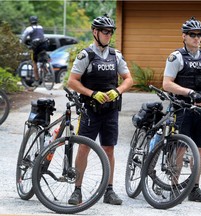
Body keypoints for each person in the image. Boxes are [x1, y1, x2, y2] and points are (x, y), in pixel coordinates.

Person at [67, 14, 133, 205]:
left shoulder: (116, 55)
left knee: (109, 149)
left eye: (111, 32)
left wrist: (118, 91)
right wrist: (92, 93)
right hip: (90, 109)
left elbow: (128, 79)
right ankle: (77, 190)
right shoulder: (85, 55)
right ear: (95, 32)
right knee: (84, 147)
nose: (108, 35)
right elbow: (72, 81)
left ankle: (109, 191)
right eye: (105, 32)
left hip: (111, 109)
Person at [163, 17, 201, 203]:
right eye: (192, 35)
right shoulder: (176, 57)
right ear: (184, 36)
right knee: (180, 148)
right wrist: (189, 92)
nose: (196, 38)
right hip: (183, 109)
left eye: (199, 35)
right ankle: (174, 187)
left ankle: (194, 189)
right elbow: (167, 84)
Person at [21, 16, 47, 87]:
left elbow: (23, 38)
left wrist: (21, 44)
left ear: (30, 21)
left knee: (34, 62)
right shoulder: (40, 27)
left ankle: (37, 79)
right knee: (43, 57)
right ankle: (46, 68)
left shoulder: (29, 28)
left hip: (35, 46)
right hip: (43, 44)